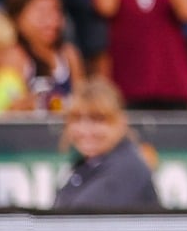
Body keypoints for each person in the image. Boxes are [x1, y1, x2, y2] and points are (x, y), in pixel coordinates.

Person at [52, 77, 160, 209]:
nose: (85, 129)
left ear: (121, 122)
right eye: (77, 118)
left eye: (98, 119)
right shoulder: (85, 166)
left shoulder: (127, 168)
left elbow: (81, 218)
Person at [6, 0, 85, 111]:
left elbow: (83, 101)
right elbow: (9, 109)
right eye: (41, 13)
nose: (50, 21)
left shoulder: (69, 55)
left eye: (55, 11)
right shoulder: (15, 56)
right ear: (17, 18)